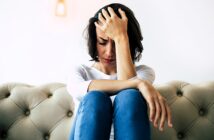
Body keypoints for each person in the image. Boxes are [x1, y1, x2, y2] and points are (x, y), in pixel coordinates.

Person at [67, 3, 173, 140]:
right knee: (95, 97)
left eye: (116, 43)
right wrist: (138, 84)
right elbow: (90, 89)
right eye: (102, 42)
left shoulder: (144, 73)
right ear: (94, 41)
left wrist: (121, 37)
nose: (109, 52)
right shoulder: (80, 72)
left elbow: (128, 95)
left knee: (130, 96)